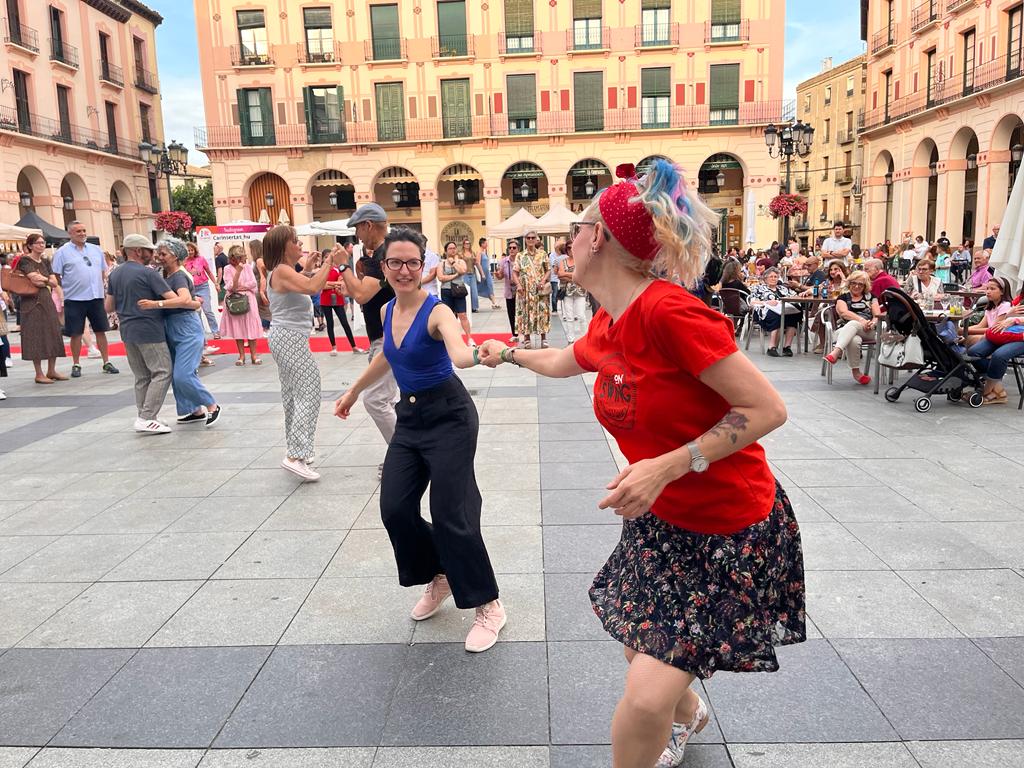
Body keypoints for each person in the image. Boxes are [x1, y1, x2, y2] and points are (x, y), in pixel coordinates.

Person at [478, 157, 803, 768]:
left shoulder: (669, 313)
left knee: (646, 694)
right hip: (662, 523)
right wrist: (508, 354)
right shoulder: (612, 319)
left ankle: (666, 720)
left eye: (576, 228)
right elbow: (565, 361)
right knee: (640, 650)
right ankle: (691, 713)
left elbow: (766, 408)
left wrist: (669, 464)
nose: (568, 240)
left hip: (727, 526)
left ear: (598, 238)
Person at [334, 227, 506, 653]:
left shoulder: (437, 311)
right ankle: (440, 574)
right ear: (384, 266)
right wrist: (353, 391)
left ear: (424, 264)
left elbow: (459, 353)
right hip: (410, 419)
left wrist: (480, 355)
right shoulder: (388, 309)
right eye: (396, 262)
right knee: (394, 508)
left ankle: (488, 604)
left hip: (450, 416)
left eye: (413, 262)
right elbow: (388, 355)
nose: (405, 270)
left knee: (451, 513)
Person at [263, 225, 342, 480]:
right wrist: (330, 262)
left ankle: (298, 450)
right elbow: (312, 287)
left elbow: (301, 283)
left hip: (285, 336)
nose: (300, 244)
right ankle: (295, 455)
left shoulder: (282, 271)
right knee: (309, 391)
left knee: (293, 395)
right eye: (295, 241)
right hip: (289, 337)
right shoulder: (282, 270)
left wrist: (308, 269)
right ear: (283, 246)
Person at [137, 237, 221, 426]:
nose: (159, 257)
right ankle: (193, 409)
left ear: (175, 256)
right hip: (171, 326)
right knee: (177, 371)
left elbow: (184, 300)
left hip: (186, 326)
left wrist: (155, 304)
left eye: (163, 254)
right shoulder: (164, 275)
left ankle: (212, 405)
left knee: (183, 374)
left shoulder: (179, 276)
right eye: (159, 253)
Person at [337, 203, 399, 453]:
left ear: (368, 225)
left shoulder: (381, 255)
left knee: (375, 400)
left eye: (358, 229)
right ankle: (406, 456)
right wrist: (351, 285)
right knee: (389, 400)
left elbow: (362, 294)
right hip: (390, 334)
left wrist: (343, 266)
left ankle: (404, 457)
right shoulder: (389, 250)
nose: (357, 236)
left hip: (386, 337)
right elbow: (366, 292)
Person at [105, 234, 180, 434]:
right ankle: (147, 417)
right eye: (149, 250)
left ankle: (145, 416)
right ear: (138, 251)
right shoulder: (148, 273)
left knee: (142, 376)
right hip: (149, 328)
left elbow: (108, 306)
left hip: (127, 329)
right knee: (162, 371)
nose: (152, 254)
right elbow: (174, 299)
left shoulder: (115, 273)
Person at [51, 221, 118, 377]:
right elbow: (56, 275)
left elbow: (103, 271)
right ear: (70, 234)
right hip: (74, 298)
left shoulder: (96, 249)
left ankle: (106, 362)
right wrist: (66, 289)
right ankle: (76, 364)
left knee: (101, 330)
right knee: (76, 332)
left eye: (83, 230)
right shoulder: (62, 252)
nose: (82, 233)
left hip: (95, 297)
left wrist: (100, 288)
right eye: (78, 231)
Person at [12, 234, 67, 384]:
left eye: (43, 243)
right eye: (38, 243)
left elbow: (54, 282)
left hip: (46, 299)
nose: (42, 245)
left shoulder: (45, 261)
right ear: (30, 245)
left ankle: (51, 370)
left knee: (53, 331)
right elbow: (35, 280)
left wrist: (45, 280)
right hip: (31, 301)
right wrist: (47, 280)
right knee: (35, 334)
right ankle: (39, 373)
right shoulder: (25, 260)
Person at [969, 283, 1024, 404]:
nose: (988, 291)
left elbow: (1012, 319)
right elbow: (1006, 319)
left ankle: (987, 391)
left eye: (992, 288)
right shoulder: (1019, 299)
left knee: (999, 355)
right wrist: (1010, 314)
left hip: (1021, 337)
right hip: (1007, 333)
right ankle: (998, 388)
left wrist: (1015, 319)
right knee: (973, 352)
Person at [822, 270, 879, 385]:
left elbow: (877, 315)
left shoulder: (871, 297)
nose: (857, 286)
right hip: (843, 330)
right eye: (854, 283)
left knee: (854, 324)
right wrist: (861, 320)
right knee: (854, 338)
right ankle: (856, 373)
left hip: (867, 330)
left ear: (865, 286)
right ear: (849, 283)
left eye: (860, 284)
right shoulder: (843, 297)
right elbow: (844, 313)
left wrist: (872, 323)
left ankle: (836, 352)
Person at [220, 245, 264, 366]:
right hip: (234, 300)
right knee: (237, 327)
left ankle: (254, 355)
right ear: (232, 257)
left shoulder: (248, 267)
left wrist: (240, 287)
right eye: (237, 257)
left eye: (241, 257)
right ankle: (241, 356)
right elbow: (231, 287)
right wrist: (238, 273)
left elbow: (253, 283)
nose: (240, 260)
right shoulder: (227, 268)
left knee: (251, 326)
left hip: (248, 300)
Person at [321, 245, 363, 356]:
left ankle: (354, 346)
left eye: (330, 256)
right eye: (326, 257)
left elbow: (342, 283)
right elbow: (322, 285)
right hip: (325, 300)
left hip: (338, 299)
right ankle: (333, 347)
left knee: (345, 323)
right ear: (323, 259)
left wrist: (330, 284)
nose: (328, 258)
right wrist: (334, 284)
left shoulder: (338, 269)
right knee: (330, 323)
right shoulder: (322, 271)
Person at [514, 230, 552, 348]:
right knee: (526, 312)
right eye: (528, 238)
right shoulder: (520, 255)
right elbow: (515, 272)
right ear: (525, 240)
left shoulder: (543, 254)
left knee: (542, 311)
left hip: (540, 289)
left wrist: (543, 281)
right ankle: (527, 338)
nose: (530, 240)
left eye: (532, 237)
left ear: (536, 239)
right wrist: (518, 285)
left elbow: (548, 270)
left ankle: (543, 338)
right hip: (525, 289)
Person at [751, 268, 800, 357]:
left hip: (784, 310)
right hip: (765, 311)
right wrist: (766, 302)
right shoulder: (758, 288)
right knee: (776, 315)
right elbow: (752, 302)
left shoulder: (784, 288)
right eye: (771, 277)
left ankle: (787, 347)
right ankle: (772, 347)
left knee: (795, 314)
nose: (773, 279)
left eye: (775, 277)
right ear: (765, 278)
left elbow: (796, 297)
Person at [184, 241, 220, 339]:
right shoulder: (184, 262)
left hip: (203, 286)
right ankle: (201, 334)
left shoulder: (201, 259)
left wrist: (216, 283)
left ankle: (215, 331)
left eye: (191, 250)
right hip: (191, 288)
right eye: (188, 250)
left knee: (207, 310)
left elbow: (209, 272)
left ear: (195, 250)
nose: (190, 252)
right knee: (197, 312)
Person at [965, 277, 1013, 348]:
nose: (988, 292)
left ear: (1002, 292)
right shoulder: (991, 307)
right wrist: (964, 330)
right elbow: (980, 326)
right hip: (990, 335)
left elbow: (994, 329)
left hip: (1000, 337)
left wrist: (966, 331)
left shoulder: (1005, 305)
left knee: (969, 338)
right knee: (963, 336)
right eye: (987, 288)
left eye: (992, 289)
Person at [439, 242, 472, 342]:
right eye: (450, 248)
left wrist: (453, 262)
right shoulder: (441, 264)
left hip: (458, 290)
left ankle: (469, 338)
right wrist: (455, 275)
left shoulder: (460, 262)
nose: (453, 250)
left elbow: (462, 271)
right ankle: (452, 339)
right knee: (449, 316)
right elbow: (441, 277)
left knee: (462, 315)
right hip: (446, 291)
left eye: (454, 248)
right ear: (446, 251)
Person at [556, 241, 588, 343]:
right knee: (569, 317)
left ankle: (584, 338)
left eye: (573, 247)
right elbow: (560, 275)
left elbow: (582, 275)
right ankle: (571, 339)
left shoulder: (581, 261)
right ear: (566, 250)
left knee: (581, 316)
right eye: (569, 248)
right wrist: (574, 276)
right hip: (567, 292)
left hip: (580, 292)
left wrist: (566, 274)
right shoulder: (563, 261)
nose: (571, 250)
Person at [500, 241, 520, 345]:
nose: (511, 249)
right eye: (510, 248)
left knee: (520, 313)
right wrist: (498, 274)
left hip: (520, 290)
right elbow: (500, 276)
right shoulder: (504, 261)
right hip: (509, 291)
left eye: (514, 248)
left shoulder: (521, 259)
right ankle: (514, 335)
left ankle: (523, 334)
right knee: (511, 313)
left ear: (518, 249)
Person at [477, 237, 499, 310]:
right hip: (483, 274)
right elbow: (478, 263)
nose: (487, 245)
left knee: (490, 287)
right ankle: (494, 303)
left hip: (487, 273)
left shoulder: (484, 252)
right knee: (483, 288)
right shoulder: (479, 252)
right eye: (486, 243)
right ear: (482, 244)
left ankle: (494, 303)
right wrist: (482, 273)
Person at [461, 237, 480, 313]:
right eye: (466, 243)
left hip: (472, 274)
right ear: (463, 245)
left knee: (474, 291)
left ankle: (474, 307)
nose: (467, 245)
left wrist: (475, 260)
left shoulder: (472, 253)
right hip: (465, 274)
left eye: (469, 243)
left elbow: (476, 263)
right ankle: (467, 307)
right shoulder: (461, 254)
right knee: (466, 292)